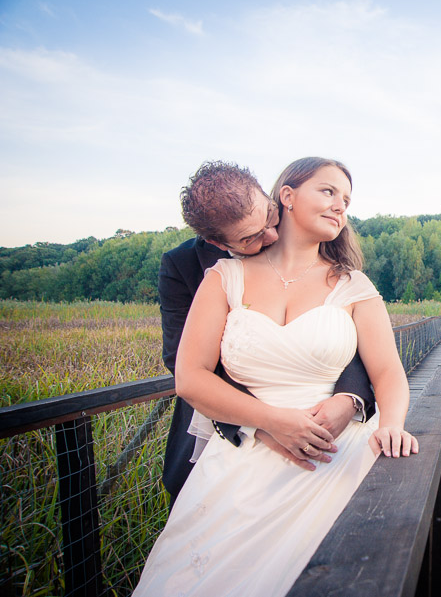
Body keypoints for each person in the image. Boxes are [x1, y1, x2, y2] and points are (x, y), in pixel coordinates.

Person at [135, 157, 418, 596]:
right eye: (328, 192)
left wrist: (392, 425)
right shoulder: (222, 275)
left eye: (346, 200)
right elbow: (188, 375)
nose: (340, 206)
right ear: (287, 195)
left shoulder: (354, 284)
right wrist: (268, 420)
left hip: (332, 452)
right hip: (241, 451)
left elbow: (386, 372)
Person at [158, 161, 375, 504]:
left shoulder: (337, 275)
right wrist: (264, 423)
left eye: (270, 217)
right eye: (250, 237)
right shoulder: (186, 268)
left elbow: (346, 346)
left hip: (326, 439)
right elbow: (185, 364)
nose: (271, 236)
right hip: (231, 438)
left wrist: (350, 400)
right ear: (215, 240)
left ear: (268, 195)